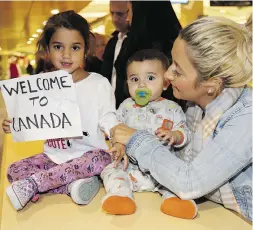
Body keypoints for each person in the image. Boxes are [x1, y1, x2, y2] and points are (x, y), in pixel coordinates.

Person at [110, 17, 252, 222]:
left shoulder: (245, 119)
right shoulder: (196, 106)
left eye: (178, 69)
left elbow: (189, 182)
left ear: (211, 84)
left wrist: (136, 139)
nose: (167, 74)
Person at [3, 10, 118, 211]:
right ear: (47, 49)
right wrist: (16, 124)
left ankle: (36, 185)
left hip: (87, 158)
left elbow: (109, 117)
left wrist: (116, 132)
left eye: (75, 47)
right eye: (58, 47)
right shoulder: (42, 85)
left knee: (102, 158)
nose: (66, 55)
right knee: (14, 170)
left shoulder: (99, 84)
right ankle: (71, 185)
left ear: (86, 48)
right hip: (53, 158)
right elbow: (34, 119)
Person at [101, 49, 198, 219]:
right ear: (127, 82)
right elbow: (116, 130)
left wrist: (175, 135)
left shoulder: (172, 108)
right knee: (111, 171)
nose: (141, 85)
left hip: (161, 169)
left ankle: (174, 201)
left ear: (166, 83)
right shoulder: (125, 106)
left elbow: (185, 132)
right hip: (129, 167)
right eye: (135, 79)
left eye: (150, 78)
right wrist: (118, 144)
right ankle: (121, 196)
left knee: (174, 182)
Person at [101, 0, 132, 108]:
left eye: (120, 14)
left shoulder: (138, 42)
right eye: (112, 13)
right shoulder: (112, 42)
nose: (114, 19)